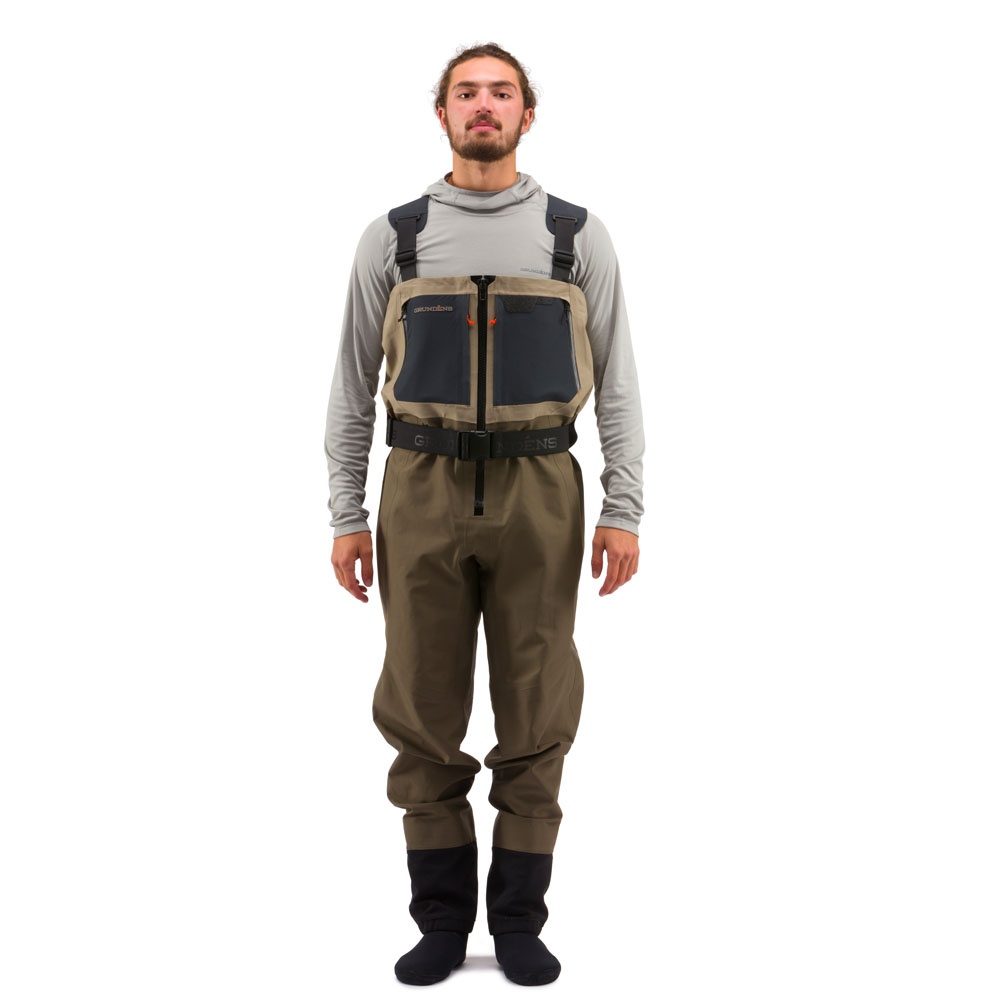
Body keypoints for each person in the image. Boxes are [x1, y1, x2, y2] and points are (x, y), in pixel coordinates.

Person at [325, 42, 644, 987]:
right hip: (418, 489)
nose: (483, 106)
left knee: (538, 705)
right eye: (466, 92)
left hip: (542, 490)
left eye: (501, 92)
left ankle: (516, 923)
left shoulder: (574, 237)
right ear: (443, 114)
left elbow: (619, 381)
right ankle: (438, 921)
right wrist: (346, 513)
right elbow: (350, 386)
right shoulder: (395, 239)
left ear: (526, 115)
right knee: (420, 705)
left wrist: (624, 508)